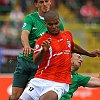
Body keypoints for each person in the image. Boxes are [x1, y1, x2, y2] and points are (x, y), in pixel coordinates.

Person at [19, 10, 100, 100]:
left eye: (56, 23)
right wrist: (43, 51)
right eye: (50, 24)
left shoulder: (67, 35)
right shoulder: (42, 41)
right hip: (40, 80)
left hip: (58, 82)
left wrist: (89, 53)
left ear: (59, 21)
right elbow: (36, 61)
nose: (54, 26)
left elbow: (73, 46)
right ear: (45, 24)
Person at [9, 0, 64, 100]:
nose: (44, 4)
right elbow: (24, 33)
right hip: (24, 61)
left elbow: (62, 43)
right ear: (36, 4)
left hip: (39, 66)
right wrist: (26, 45)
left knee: (27, 97)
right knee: (15, 97)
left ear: (50, 2)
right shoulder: (30, 18)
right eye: (41, 2)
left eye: (46, 1)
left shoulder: (57, 22)